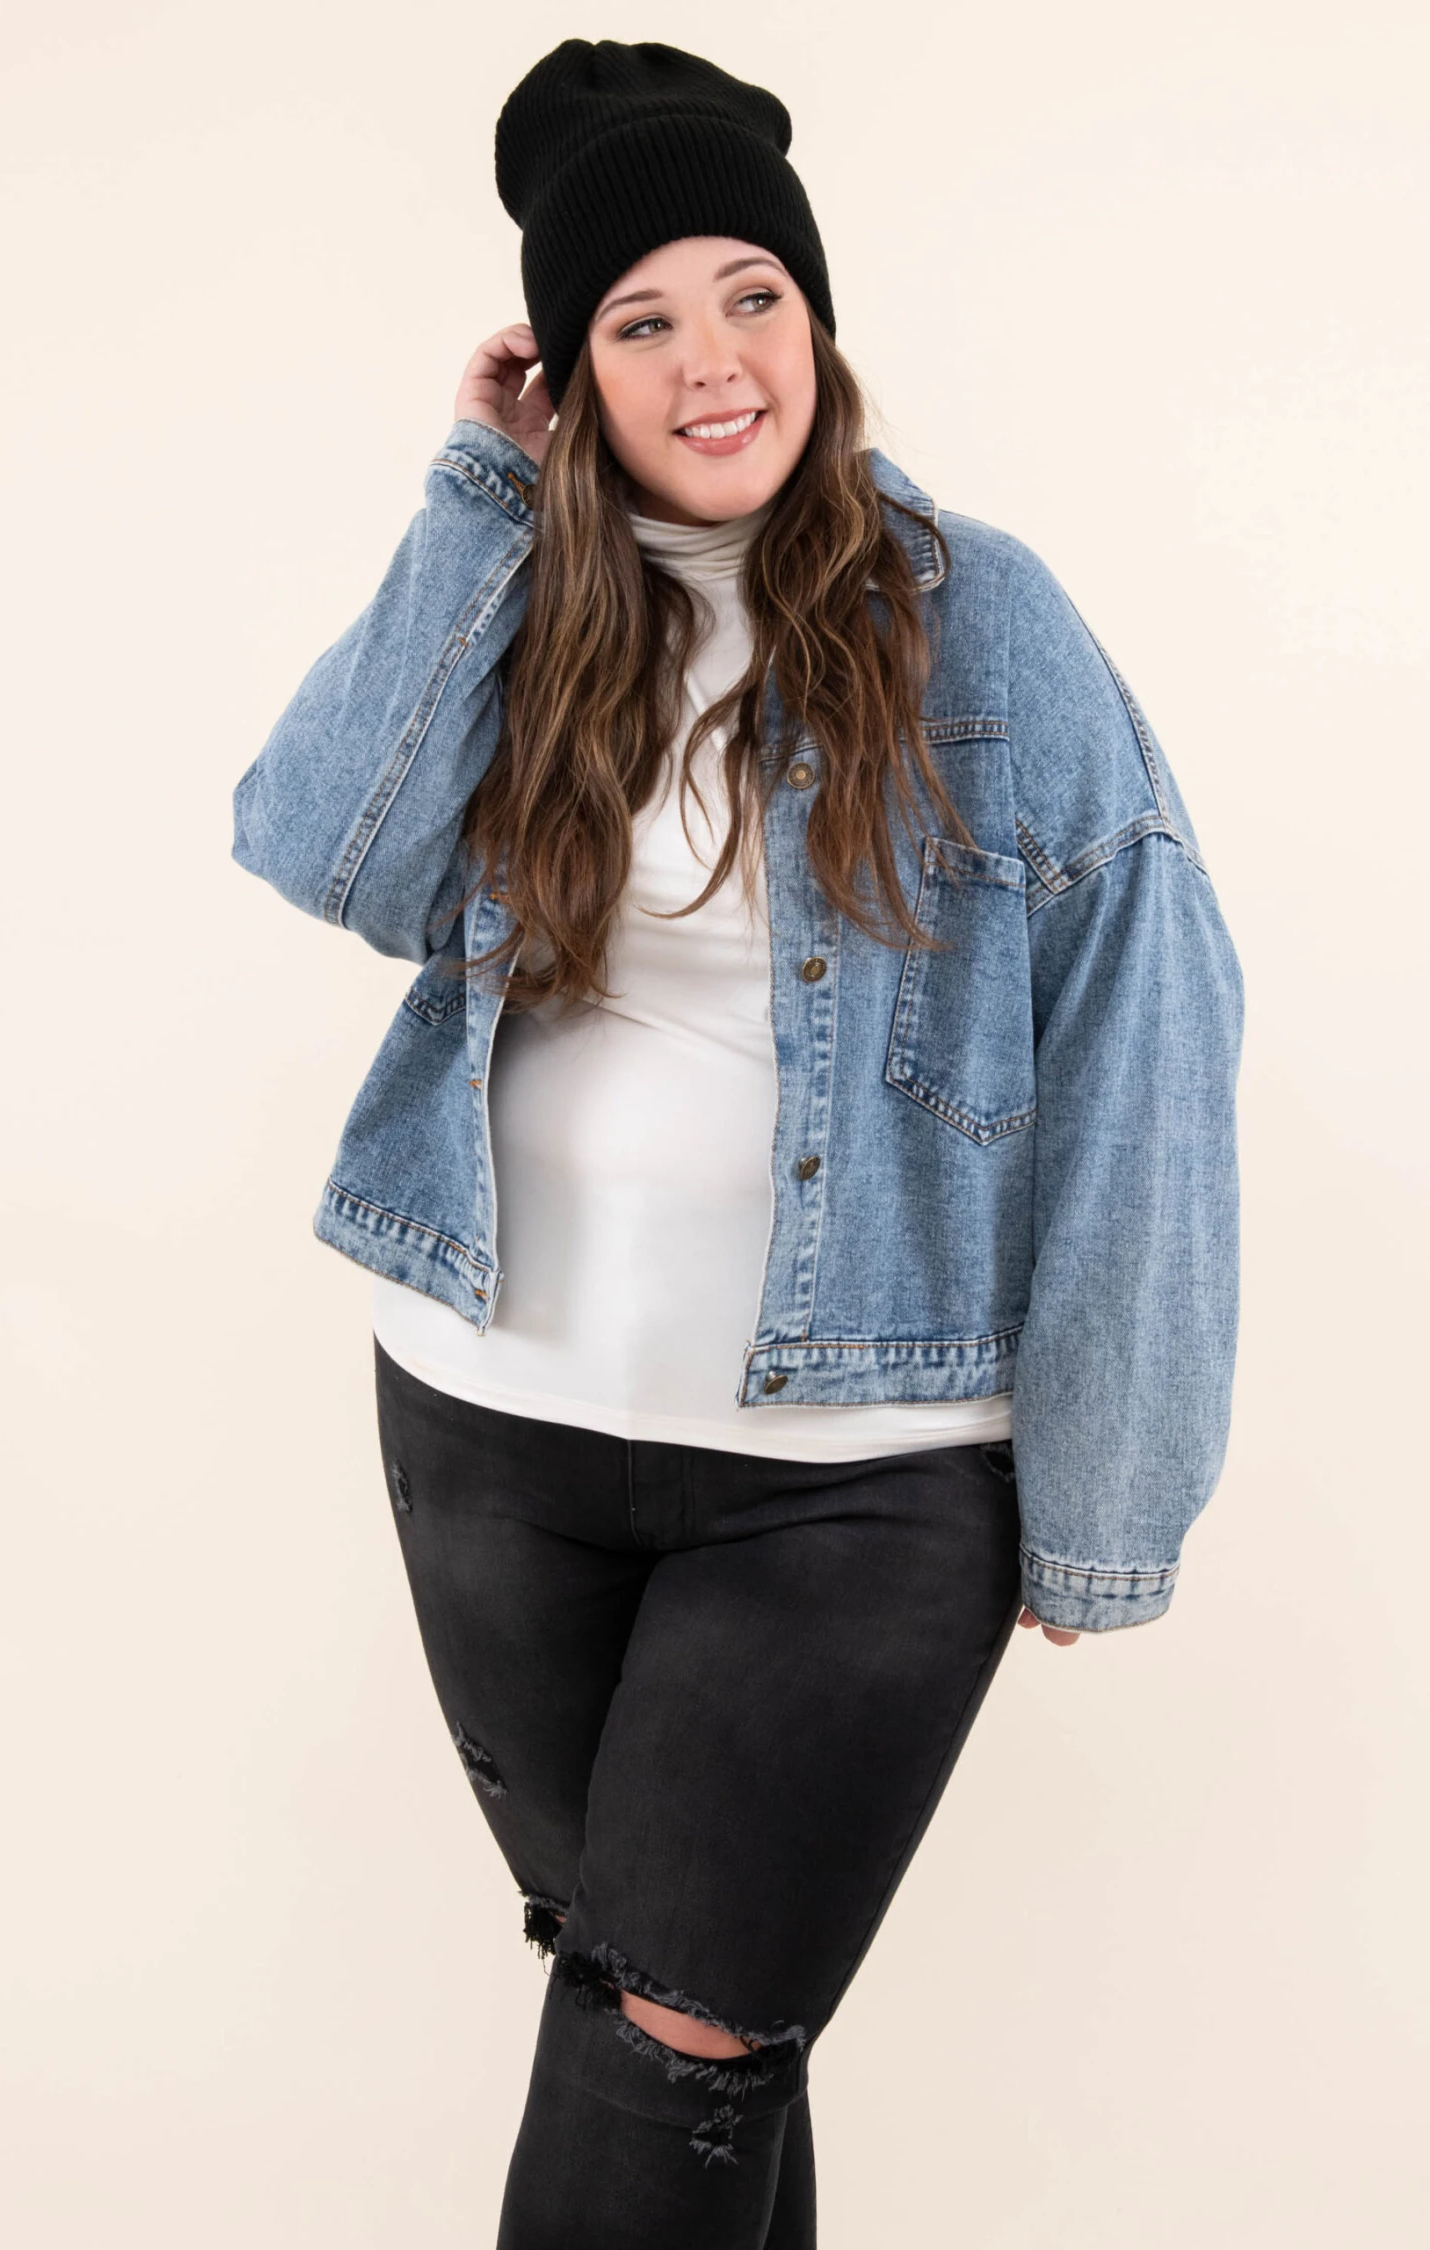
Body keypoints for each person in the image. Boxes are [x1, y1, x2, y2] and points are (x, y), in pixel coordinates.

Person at [231, 37, 1245, 2249]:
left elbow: (1150, 1027)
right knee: (682, 2047)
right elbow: (324, 848)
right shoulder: (522, 609)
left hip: (860, 1483)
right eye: (641, 318)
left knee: (667, 2056)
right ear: (567, 375)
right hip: (489, 1432)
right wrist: (473, 498)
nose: (715, 361)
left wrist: (1107, 1491)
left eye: (754, 294)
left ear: (818, 317)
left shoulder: (984, 620)